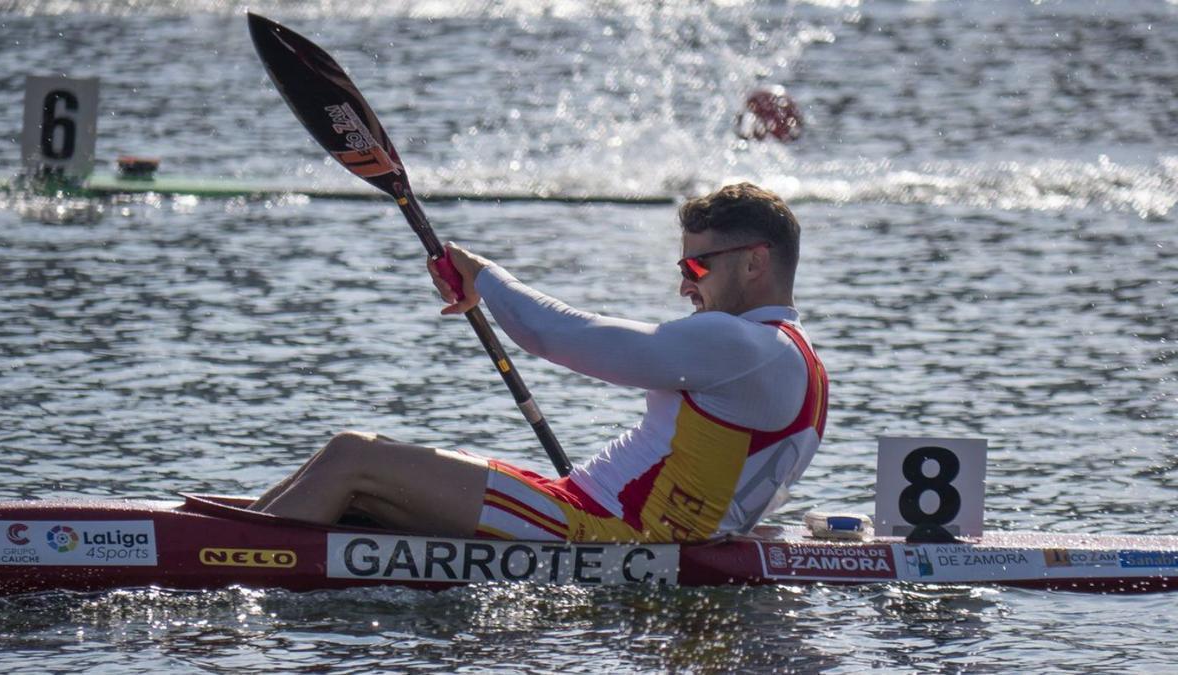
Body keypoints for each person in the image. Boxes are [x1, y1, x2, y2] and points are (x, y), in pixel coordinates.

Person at [249, 182, 828, 543]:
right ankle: (235, 532)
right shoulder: (800, 360)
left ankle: (228, 564)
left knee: (353, 457)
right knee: (353, 475)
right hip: (589, 510)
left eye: (695, 268)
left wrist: (483, 274)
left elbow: (556, 335)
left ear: (754, 263)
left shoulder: (744, 347)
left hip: (600, 533)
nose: (685, 287)